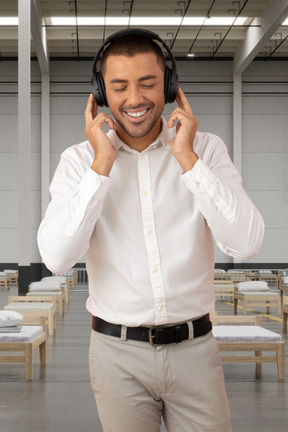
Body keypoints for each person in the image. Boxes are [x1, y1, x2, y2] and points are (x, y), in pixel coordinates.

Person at [37, 29, 264, 432]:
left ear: (170, 87)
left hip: (196, 350)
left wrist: (188, 159)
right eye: (120, 87)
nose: (135, 99)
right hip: (116, 355)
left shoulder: (206, 149)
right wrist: (101, 164)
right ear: (101, 92)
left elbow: (246, 242)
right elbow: (56, 258)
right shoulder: (78, 162)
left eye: (148, 83)